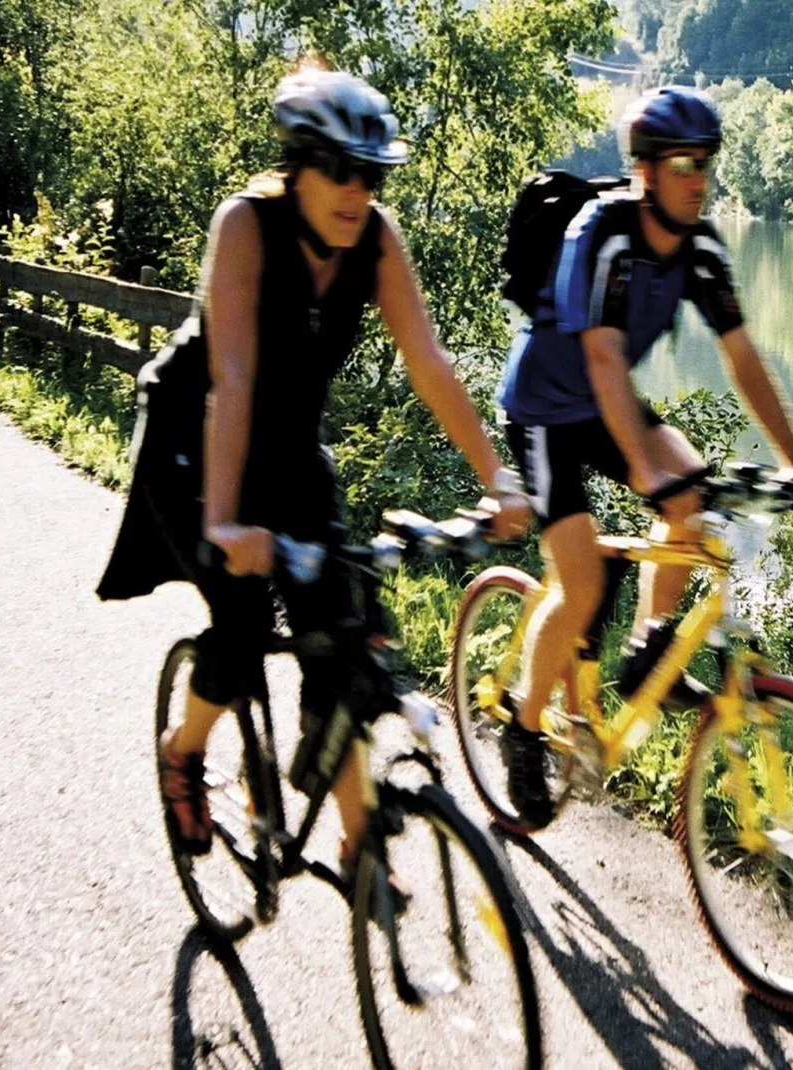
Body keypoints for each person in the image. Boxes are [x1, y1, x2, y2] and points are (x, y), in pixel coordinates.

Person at [97, 67, 531, 872]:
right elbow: (229, 379)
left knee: (348, 632)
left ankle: (358, 840)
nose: (355, 191)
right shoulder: (246, 227)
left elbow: (430, 363)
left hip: (292, 453)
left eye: (370, 173)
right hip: (195, 445)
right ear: (297, 163)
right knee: (242, 624)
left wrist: (496, 479)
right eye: (338, 169)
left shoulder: (375, 238)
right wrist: (226, 523)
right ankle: (183, 751)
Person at [495, 86, 793, 828]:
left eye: (707, 161)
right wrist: (644, 467)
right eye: (682, 162)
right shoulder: (602, 232)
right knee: (580, 584)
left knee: (692, 499)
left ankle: (648, 646)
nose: (698, 177)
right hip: (547, 408)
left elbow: (741, 355)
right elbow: (605, 358)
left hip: (603, 406)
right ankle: (522, 728)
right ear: (644, 169)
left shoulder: (702, 247)